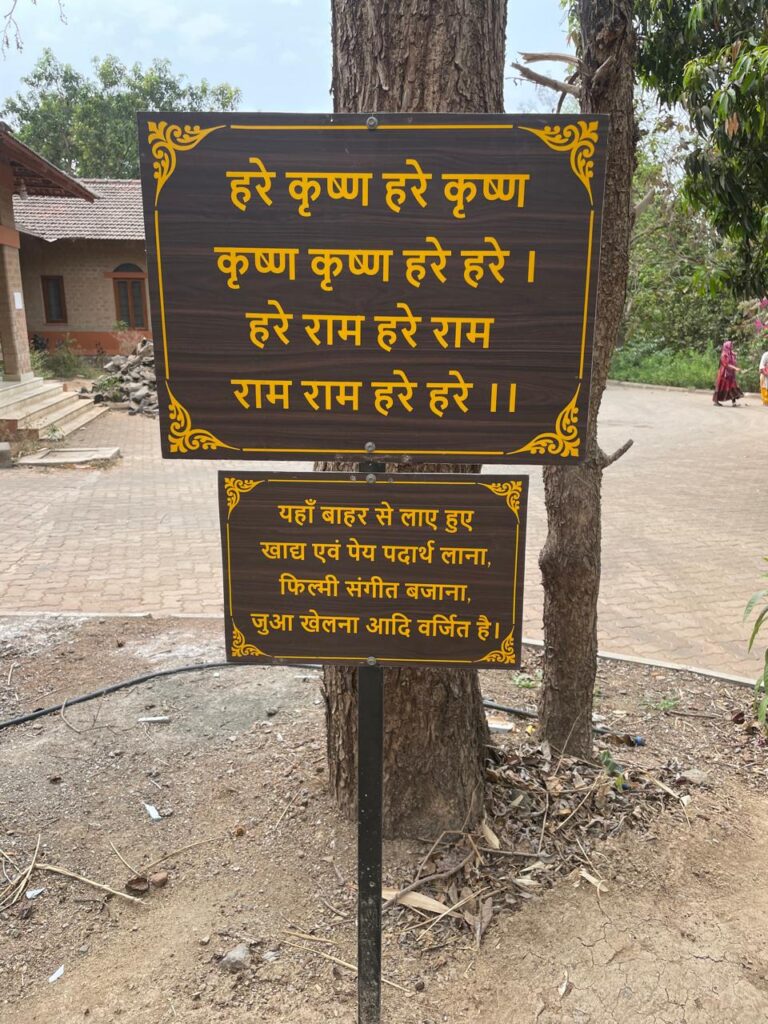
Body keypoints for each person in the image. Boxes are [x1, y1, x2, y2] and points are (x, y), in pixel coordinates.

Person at [713, 340, 743, 406]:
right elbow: (726, 364)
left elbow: (733, 360)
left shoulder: (730, 353)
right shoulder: (724, 354)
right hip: (724, 374)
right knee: (722, 387)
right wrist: (735, 368)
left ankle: (734, 403)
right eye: (731, 345)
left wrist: (734, 355)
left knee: (732, 387)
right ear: (727, 346)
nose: (732, 347)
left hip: (731, 374)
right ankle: (716, 401)